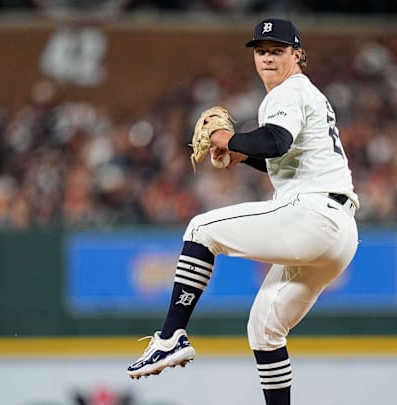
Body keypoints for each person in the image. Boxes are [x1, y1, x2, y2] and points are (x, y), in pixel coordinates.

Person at [126, 17, 360, 405]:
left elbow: (276, 141)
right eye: (262, 51)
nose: (268, 58)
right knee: (264, 329)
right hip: (337, 231)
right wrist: (238, 154)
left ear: (298, 55)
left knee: (201, 230)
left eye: (278, 51)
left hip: (314, 216)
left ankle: (170, 337)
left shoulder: (289, 91)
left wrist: (225, 137)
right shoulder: (304, 95)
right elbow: (287, 158)